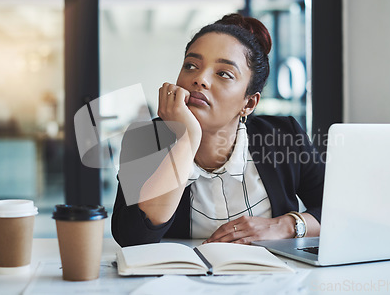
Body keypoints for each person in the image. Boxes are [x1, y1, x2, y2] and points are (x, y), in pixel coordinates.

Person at [112, 13, 324, 247]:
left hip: (275, 276)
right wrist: (186, 140)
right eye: (191, 66)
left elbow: (339, 211)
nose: (200, 79)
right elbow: (132, 238)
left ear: (249, 103)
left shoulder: (284, 136)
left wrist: (285, 226)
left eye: (224, 73)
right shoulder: (144, 140)